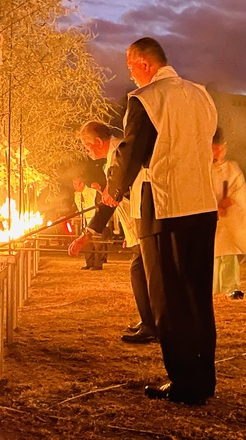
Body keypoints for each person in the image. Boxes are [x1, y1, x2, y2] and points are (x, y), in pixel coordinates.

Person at [102, 37, 219, 405]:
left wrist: (113, 191)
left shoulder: (147, 99)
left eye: (129, 66)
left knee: (167, 297)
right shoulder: (201, 95)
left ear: (142, 62)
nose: (130, 74)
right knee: (198, 294)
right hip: (202, 202)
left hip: (164, 204)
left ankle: (184, 382)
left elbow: (131, 151)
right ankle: (204, 378)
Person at [69, 121, 157, 342]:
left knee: (141, 272)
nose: (86, 151)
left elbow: (112, 201)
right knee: (142, 272)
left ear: (99, 142)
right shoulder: (115, 157)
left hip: (145, 219)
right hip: (136, 224)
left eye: (87, 146)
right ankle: (149, 322)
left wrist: (85, 235)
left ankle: (153, 326)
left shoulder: (121, 153)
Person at [212, 128, 246, 300]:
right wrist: (213, 206)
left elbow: (239, 192)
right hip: (209, 216)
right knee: (212, 251)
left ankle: (231, 286)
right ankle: (212, 286)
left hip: (228, 217)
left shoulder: (231, 169)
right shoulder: (201, 168)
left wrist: (228, 202)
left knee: (228, 250)